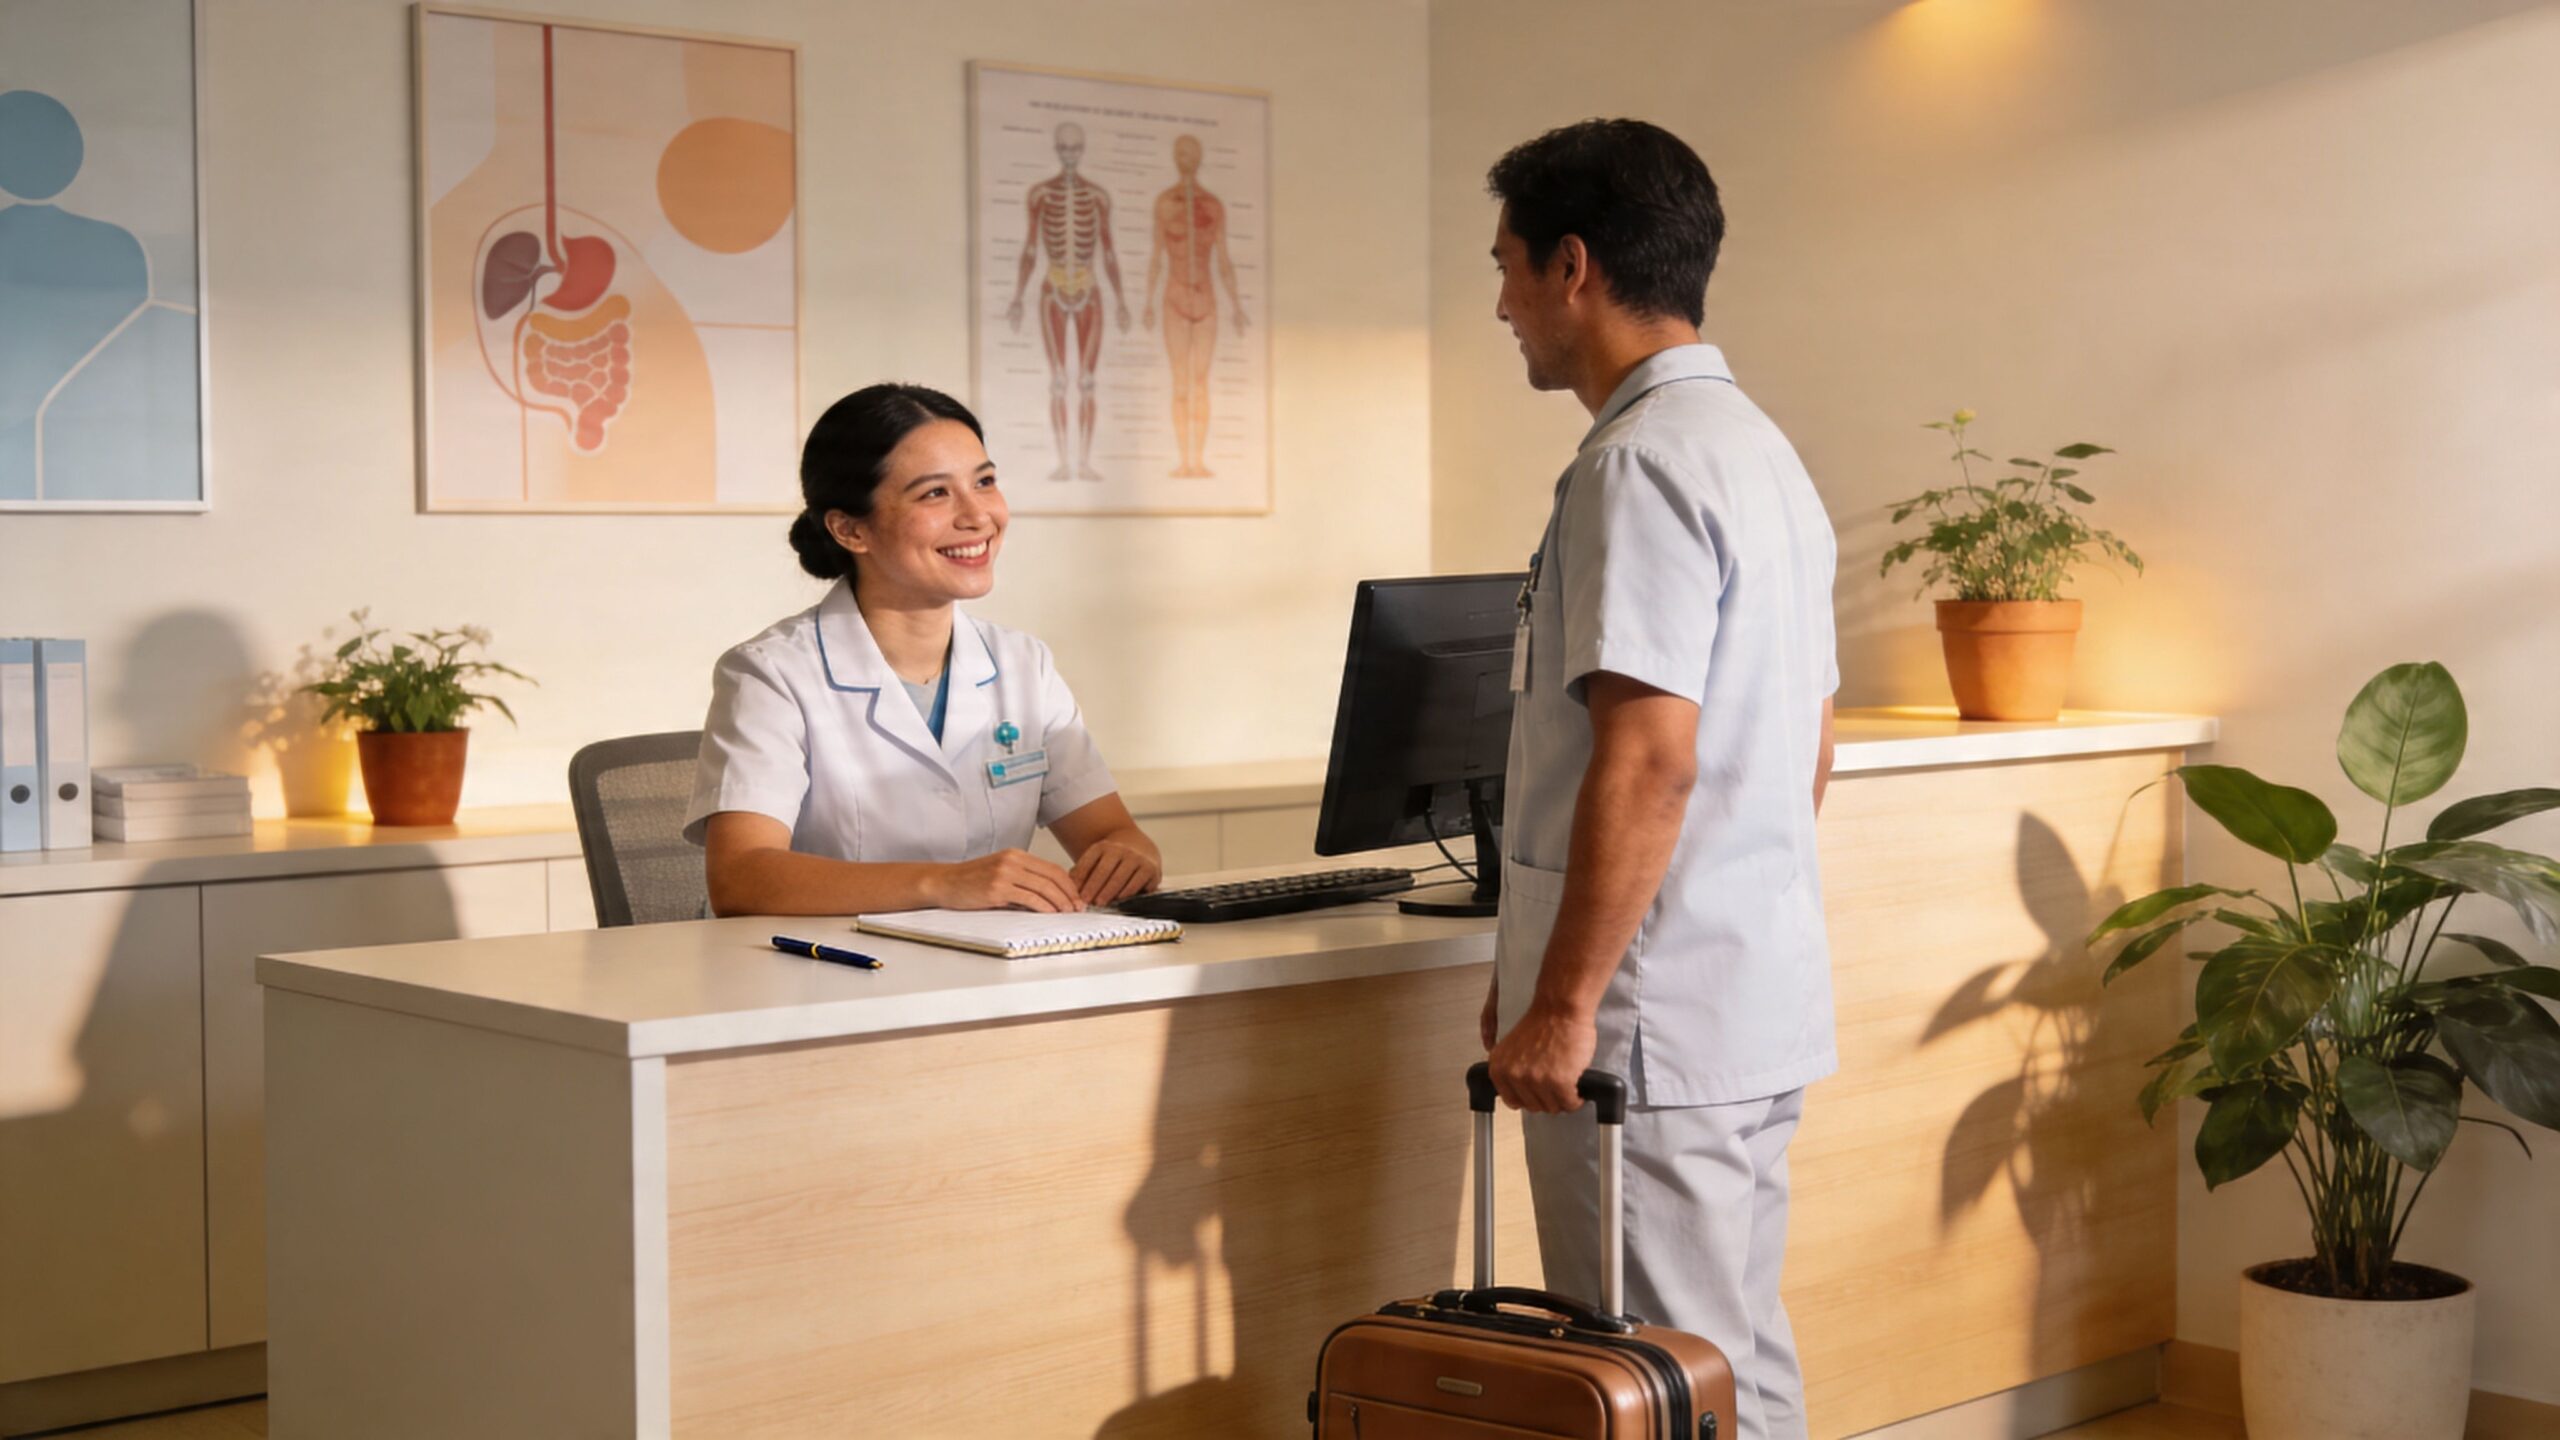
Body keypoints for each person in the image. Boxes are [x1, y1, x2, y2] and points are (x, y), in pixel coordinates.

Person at [1475, 120, 1839, 1440]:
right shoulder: (1760, 452)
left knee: (1642, 1377)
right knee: (1735, 1355)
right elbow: (1808, 746)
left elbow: (1647, 757)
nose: (1502, 302)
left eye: (1509, 265)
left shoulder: (1632, 466)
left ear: (1574, 267)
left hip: (1646, 1032)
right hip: (1738, 1000)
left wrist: (1569, 1001)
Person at [685, 383, 1162, 914]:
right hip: (820, 979)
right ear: (849, 529)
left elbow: (1111, 832)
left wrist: (1127, 853)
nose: (978, 515)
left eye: (984, 481)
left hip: (988, 974)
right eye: (935, 493)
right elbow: (741, 878)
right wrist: (942, 884)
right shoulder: (771, 674)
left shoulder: (1023, 666)